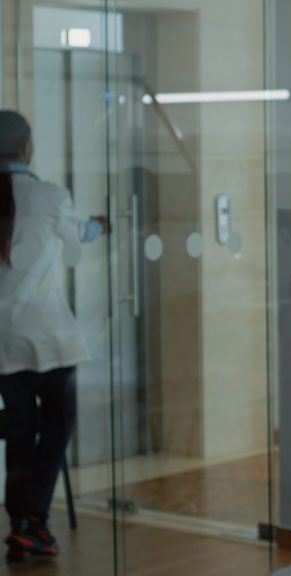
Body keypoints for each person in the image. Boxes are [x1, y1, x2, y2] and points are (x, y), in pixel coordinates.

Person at [0, 110, 105, 561]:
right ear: (27, 149)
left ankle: (20, 523)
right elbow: (79, 234)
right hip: (47, 338)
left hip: (4, 344)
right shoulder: (47, 195)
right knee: (59, 425)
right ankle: (34, 521)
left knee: (21, 434)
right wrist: (104, 224)